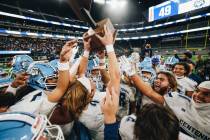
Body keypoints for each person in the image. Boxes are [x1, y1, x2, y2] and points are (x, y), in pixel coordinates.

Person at [121, 58, 210, 139]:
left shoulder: (186, 86)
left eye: (206, 94)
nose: (198, 95)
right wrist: (132, 72)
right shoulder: (180, 101)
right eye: (197, 91)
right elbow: (149, 92)